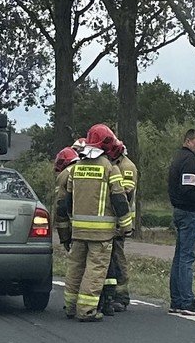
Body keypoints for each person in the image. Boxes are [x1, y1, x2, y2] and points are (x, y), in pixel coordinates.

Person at [56, 126, 133, 322]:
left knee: (75, 267)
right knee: (95, 270)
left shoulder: (76, 167)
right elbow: (119, 200)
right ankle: (87, 310)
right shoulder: (110, 168)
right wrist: (126, 226)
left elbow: (67, 202)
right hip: (101, 234)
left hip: (78, 230)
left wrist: (67, 230)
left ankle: (71, 307)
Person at [167, 128, 195, 315]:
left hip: (180, 210)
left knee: (179, 256)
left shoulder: (178, 158)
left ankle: (177, 299)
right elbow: (188, 189)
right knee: (187, 257)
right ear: (188, 141)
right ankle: (186, 300)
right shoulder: (190, 161)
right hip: (189, 212)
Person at [101, 133, 138, 313]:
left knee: (118, 257)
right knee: (110, 258)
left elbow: (126, 194)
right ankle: (110, 294)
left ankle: (122, 295)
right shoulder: (112, 164)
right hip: (111, 220)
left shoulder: (127, 167)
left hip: (121, 221)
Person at [52, 147, 79, 249]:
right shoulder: (86, 167)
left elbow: (61, 205)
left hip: (75, 226)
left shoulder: (64, 175)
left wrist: (64, 237)